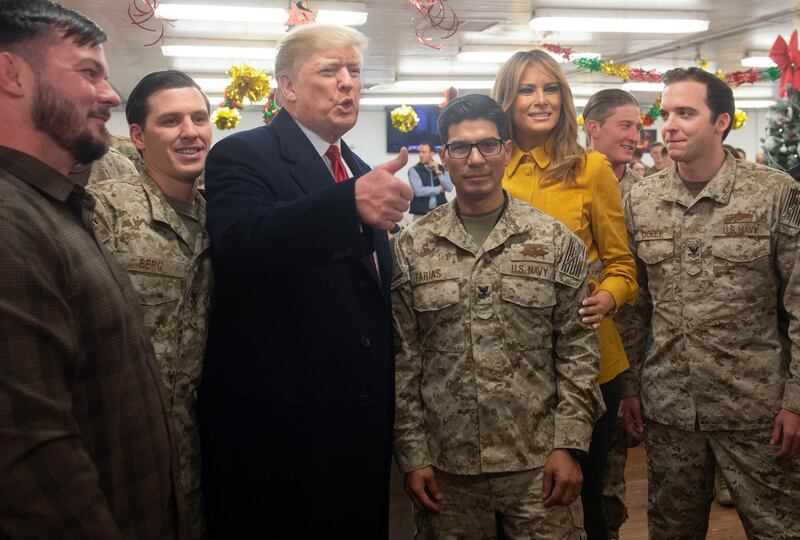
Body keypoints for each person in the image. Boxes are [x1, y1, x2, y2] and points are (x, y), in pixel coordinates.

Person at [199, 24, 412, 539]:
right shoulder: (243, 155)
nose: (347, 84)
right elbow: (241, 245)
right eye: (330, 71)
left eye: (355, 72)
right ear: (287, 86)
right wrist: (347, 205)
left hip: (357, 422)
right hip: (284, 431)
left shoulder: (357, 167)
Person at [0, 1, 183, 537]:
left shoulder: (53, 206)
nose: (109, 95)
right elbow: (29, 459)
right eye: (88, 72)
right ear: (10, 74)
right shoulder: (10, 221)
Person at [392, 92, 604, 539]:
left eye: (487, 145)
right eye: (460, 148)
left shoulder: (555, 242)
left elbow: (578, 351)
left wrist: (570, 445)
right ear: (445, 157)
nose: (475, 159)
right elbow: (403, 361)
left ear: (506, 151)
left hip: (538, 463)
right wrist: (412, 454)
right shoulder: (411, 247)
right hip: (449, 469)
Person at [620, 67, 800, 539]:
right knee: (671, 531)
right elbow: (635, 306)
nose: (669, 125)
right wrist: (630, 387)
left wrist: (797, 400)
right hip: (671, 409)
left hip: (756, 409)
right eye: (664, 113)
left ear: (722, 121)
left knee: (779, 529)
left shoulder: (773, 193)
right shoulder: (642, 198)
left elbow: (799, 301)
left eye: (685, 113)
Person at [492, 50, 638, 540]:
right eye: (528, 90)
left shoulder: (591, 168)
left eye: (550, 88)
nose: (540, 100)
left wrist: (611, 297)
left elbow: (623, 266)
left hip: (590, 362)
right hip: (511, 366)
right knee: (516, 498)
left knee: (585, 500)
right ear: (508, 99)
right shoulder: (489, 166)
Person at [87, 70, 213, 539]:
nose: (190, 132)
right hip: (115, 448)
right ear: (138, 136)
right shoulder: (102, 211)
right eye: (171, 121)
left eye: (199, 118)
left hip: (191, 452)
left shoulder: (219, 220)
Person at [582, 88, 645, 538]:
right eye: (626, 126)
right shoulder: (568, 186)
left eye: (639, 128)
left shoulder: (645, 196)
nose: (636, 137)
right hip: (582, 357)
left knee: (608, 490)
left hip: (629, 361)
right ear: (593, 128)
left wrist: (634, 384)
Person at [408, 140, 453, 218]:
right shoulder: (413, 170)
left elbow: (449, 188)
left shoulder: (442, 168)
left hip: (440, 214)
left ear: (431, 154)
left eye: (424, 152)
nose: (420, 155)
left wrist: (437, 171)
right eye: (420, 152)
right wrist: (439, 189)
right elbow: (419, 191)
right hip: (421, 215)